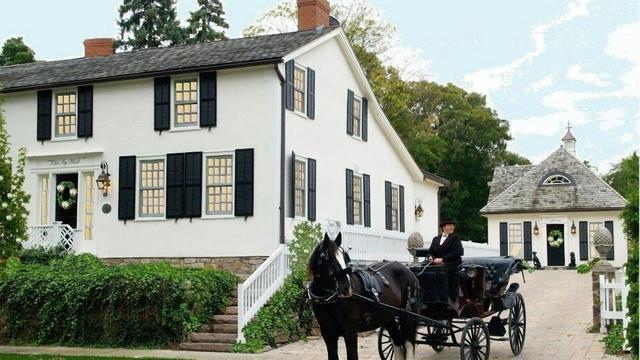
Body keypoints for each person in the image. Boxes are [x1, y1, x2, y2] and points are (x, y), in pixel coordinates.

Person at [426, 217, 464, 304]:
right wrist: (430, 257)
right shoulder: (435, 239)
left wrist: (442, 259)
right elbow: (430, 252)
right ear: (443, 227)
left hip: (451, 264)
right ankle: (428, 295)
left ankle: (448, 297)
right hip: (436, 264)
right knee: (424, 270)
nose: (452, 227)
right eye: (449, 225)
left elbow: (458, 252)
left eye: (453, 225)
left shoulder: (455, 238)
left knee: (443, 271)